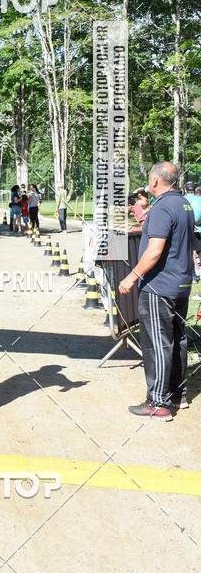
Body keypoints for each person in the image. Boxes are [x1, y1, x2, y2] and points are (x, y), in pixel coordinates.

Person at [118, 162, 194, 420]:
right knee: (177, 340)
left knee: (157, 344)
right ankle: (176, 394)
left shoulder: (162, 207)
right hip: (181, 283)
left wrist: (131, 277)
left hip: (159, 286)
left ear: (155, 181)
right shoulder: (184, 205)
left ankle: (158, 402)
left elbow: (154, 251)